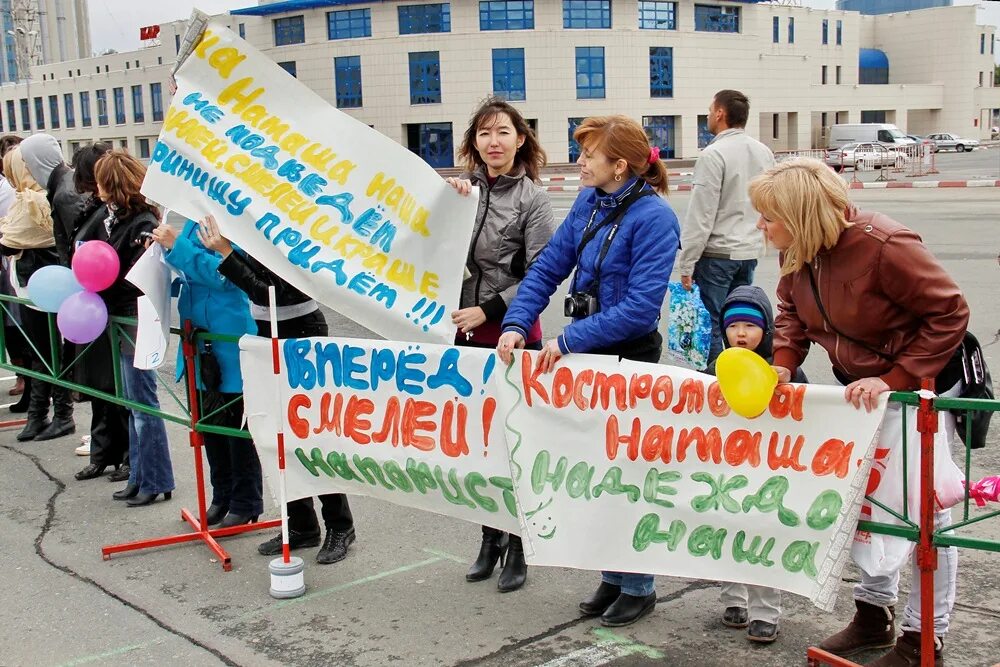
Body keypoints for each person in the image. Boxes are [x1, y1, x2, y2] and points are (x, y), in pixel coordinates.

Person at [750, 158, 969, 666]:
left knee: (927, 514)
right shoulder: (800, 251)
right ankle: (873, 616)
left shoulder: (885, 246)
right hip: (863, 396)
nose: (760, 226)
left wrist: (895, 380)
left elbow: (950, 311)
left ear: (800, 214)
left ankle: (923, 637)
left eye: (768, 216)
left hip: (922, 390)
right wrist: (783, 364)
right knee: (870, 505)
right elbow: (790, 312)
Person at [497, 115, 679, 627]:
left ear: (619, 165)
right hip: (591, 354)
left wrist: (568, 339)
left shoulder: (655, 219)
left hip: (630, 357)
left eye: (588, 155)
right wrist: (516, 322)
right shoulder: (589, 202)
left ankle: (638, 585)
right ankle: (613, 575)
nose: (579, 162)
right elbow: (549, 267)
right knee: (597, 473)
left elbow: (642, 307)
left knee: (626, 475)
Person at [199, 215, 357, 565]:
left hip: (300, 330)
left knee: (312, 434)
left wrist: (226, 253)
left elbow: (269, 290)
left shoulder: (293, 226)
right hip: (266, 329)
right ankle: (300, 523)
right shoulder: (256, 223)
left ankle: (340, 525)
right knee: (275, 433)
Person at [445, 96, 555, 592]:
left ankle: (518, 544)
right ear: (473, 143)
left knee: (514, 443)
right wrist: (447, 204)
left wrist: (489, 310)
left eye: (504, 132)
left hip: (511, 332)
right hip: (461, 333)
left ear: (521, 139)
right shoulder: (458, 193)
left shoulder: (533, 199)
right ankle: (488, 538)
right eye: (485, 133)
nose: (494, 141)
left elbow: (542, 273)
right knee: (478, 442)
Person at [709, 285, 806, 644]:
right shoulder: (714, 369)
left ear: (767, 330)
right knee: (725, 533)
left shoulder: (783, 373)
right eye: (733, 327)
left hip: (768, 473)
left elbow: (808, 413)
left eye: (750, 326)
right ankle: (733, 599)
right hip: (725, 471)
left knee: (763, 539)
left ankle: (766, 611)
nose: (741, 334)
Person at [155, 215, 263, 527]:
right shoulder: (192, 215)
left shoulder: (235, 215)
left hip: (229, 337)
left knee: (236, 428)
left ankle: (246, 501)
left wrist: (177, 247)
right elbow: (190, 268)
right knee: (209, 424)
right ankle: (222, 495)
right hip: (200, 338)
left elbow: (224, 274)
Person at [93, 151, 175, 506]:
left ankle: (155, 479)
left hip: (136, 319)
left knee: (143, 405)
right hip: (124, 319)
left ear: (111, 184)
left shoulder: (141, 222)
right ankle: (141, 475)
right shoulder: (115, 218)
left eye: (100, 181)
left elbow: (142, 267)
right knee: (134, 404)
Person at [678, 89, 775, 366]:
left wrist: (687, 263)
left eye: (710, 111)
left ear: (720, 113)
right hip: (749, 252)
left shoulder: (713, 154)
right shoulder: (763, 152)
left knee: (712, 325)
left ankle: (716, 384)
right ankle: (741, 375)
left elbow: (701, 214)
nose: (708, 116)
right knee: (742, 324)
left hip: (717, 256)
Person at [0, 146, 75, 442]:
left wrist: (9, 235)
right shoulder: (26, 200)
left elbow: (10, 239)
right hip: (32, 284)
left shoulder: (37, 200)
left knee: (49, 352)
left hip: (46, 285)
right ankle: (38, 414)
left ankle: (60, 414)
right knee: (40, 353)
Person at [68, 142, 131, 482]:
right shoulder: (93, 210)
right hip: (91, 307)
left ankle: (125, 455)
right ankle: (103, 451)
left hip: (111, 308)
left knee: (118, 389)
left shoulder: (118, 216)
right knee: (101, 388)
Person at [0, 134, 30, 411]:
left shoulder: (28, 196)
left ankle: (39, 397)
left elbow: (13, 234)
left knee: (26, 330)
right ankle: (34, 397)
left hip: (26, 276)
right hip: (18, 273)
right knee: (17, 329)